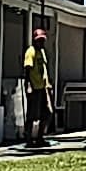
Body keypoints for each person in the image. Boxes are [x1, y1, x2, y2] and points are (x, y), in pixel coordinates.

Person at [19, 21, 54, 149]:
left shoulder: (42, 52)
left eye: (43, 40)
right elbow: (27, 69)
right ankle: (28, 138)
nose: (41, 42)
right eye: (39, 40)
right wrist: (28, 85)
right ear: (34, 40)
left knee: (48, 112)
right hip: (34, 87)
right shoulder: (31, 51)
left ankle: (40, 137)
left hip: (43, 87)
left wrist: (48, 85)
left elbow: (44, 69)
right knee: (32, 114)